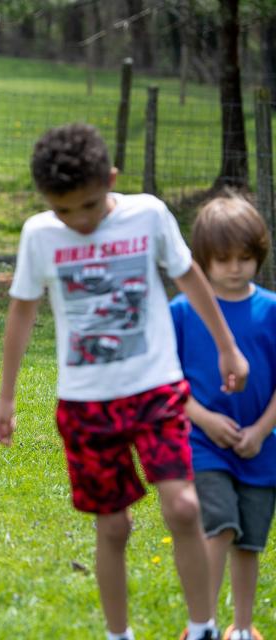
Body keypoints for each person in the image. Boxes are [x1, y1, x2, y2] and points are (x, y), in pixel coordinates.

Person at [0, 123, 249, 640]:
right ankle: (118, 634)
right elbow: (21, 312)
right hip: (86, 405)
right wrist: (6, 396)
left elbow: (189, 276)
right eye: (63, 210)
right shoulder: (40, 234)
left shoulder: (147, 214)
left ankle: (203, 628)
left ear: (110, 179)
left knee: (184, 505)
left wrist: (226, 345)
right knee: (113, 526)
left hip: (155, 389)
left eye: (87, 206)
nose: (77, 221)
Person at [170, 195, 276, 640]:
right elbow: (165, 382)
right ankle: (204, 626)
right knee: (219, 525)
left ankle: (243, 628)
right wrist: (204, 419)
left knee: (249, 541)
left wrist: (261, 430)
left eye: (245, 258)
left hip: (260, 446)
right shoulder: (181, 311)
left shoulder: (271, 310)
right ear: (202, 260)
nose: (235, 268)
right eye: (223, 259)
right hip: (201, 443)